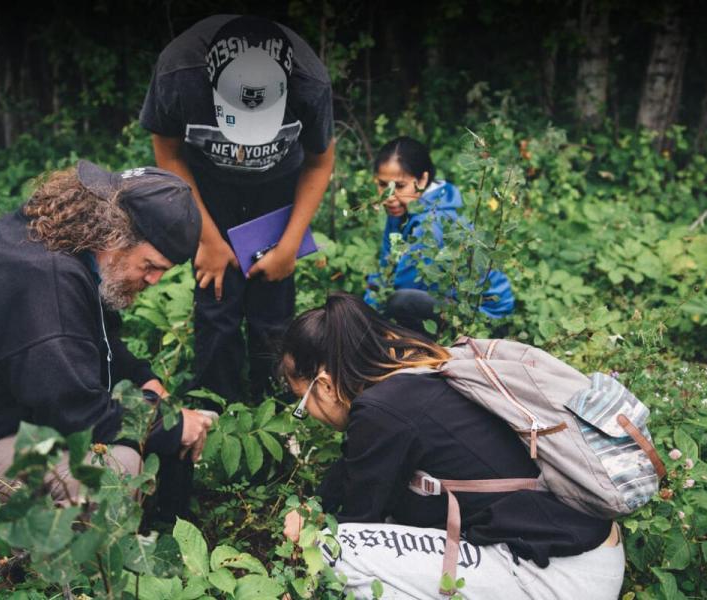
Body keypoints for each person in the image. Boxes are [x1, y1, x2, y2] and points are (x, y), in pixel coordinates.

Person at [0, 160, 215, 533]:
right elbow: (76, 413)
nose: (154, 279)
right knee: (114, 472)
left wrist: (145, 381)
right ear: (116, 235)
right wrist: (168, 425)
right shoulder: (44, 280)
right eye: (150, 265)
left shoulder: (62, 245)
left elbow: (96, 341)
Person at [279, 293, 624, 599]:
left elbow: (354, 525)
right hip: (588, 552)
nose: (309, 415)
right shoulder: (418, 368)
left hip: (557, 578)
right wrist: (315, 507)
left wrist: (309, 534)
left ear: (323, 386)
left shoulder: (381, 411)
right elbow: (354, 465)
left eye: (301, 403)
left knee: (333, 553)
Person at [140, 14, 335, 404]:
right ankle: (217, 403)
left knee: (274, 308)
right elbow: (169, 152)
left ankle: (275, 402)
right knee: (216, 304)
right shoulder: (180, 73)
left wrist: (289, 246)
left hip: (278, 190)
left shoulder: (309, 83)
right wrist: (207, 241)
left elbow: (319, 161)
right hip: (206, 190)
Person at [364, 137, 514, 336]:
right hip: (447, 300)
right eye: (383, 185)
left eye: (399, 186)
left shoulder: (433, 222)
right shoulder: (401, 208)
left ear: (423, 180)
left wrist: (366, 323)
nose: (388, 196)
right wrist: (365, 309)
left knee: (401, 302)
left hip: (484, 317)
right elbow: (386, 267)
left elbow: (406, 283)